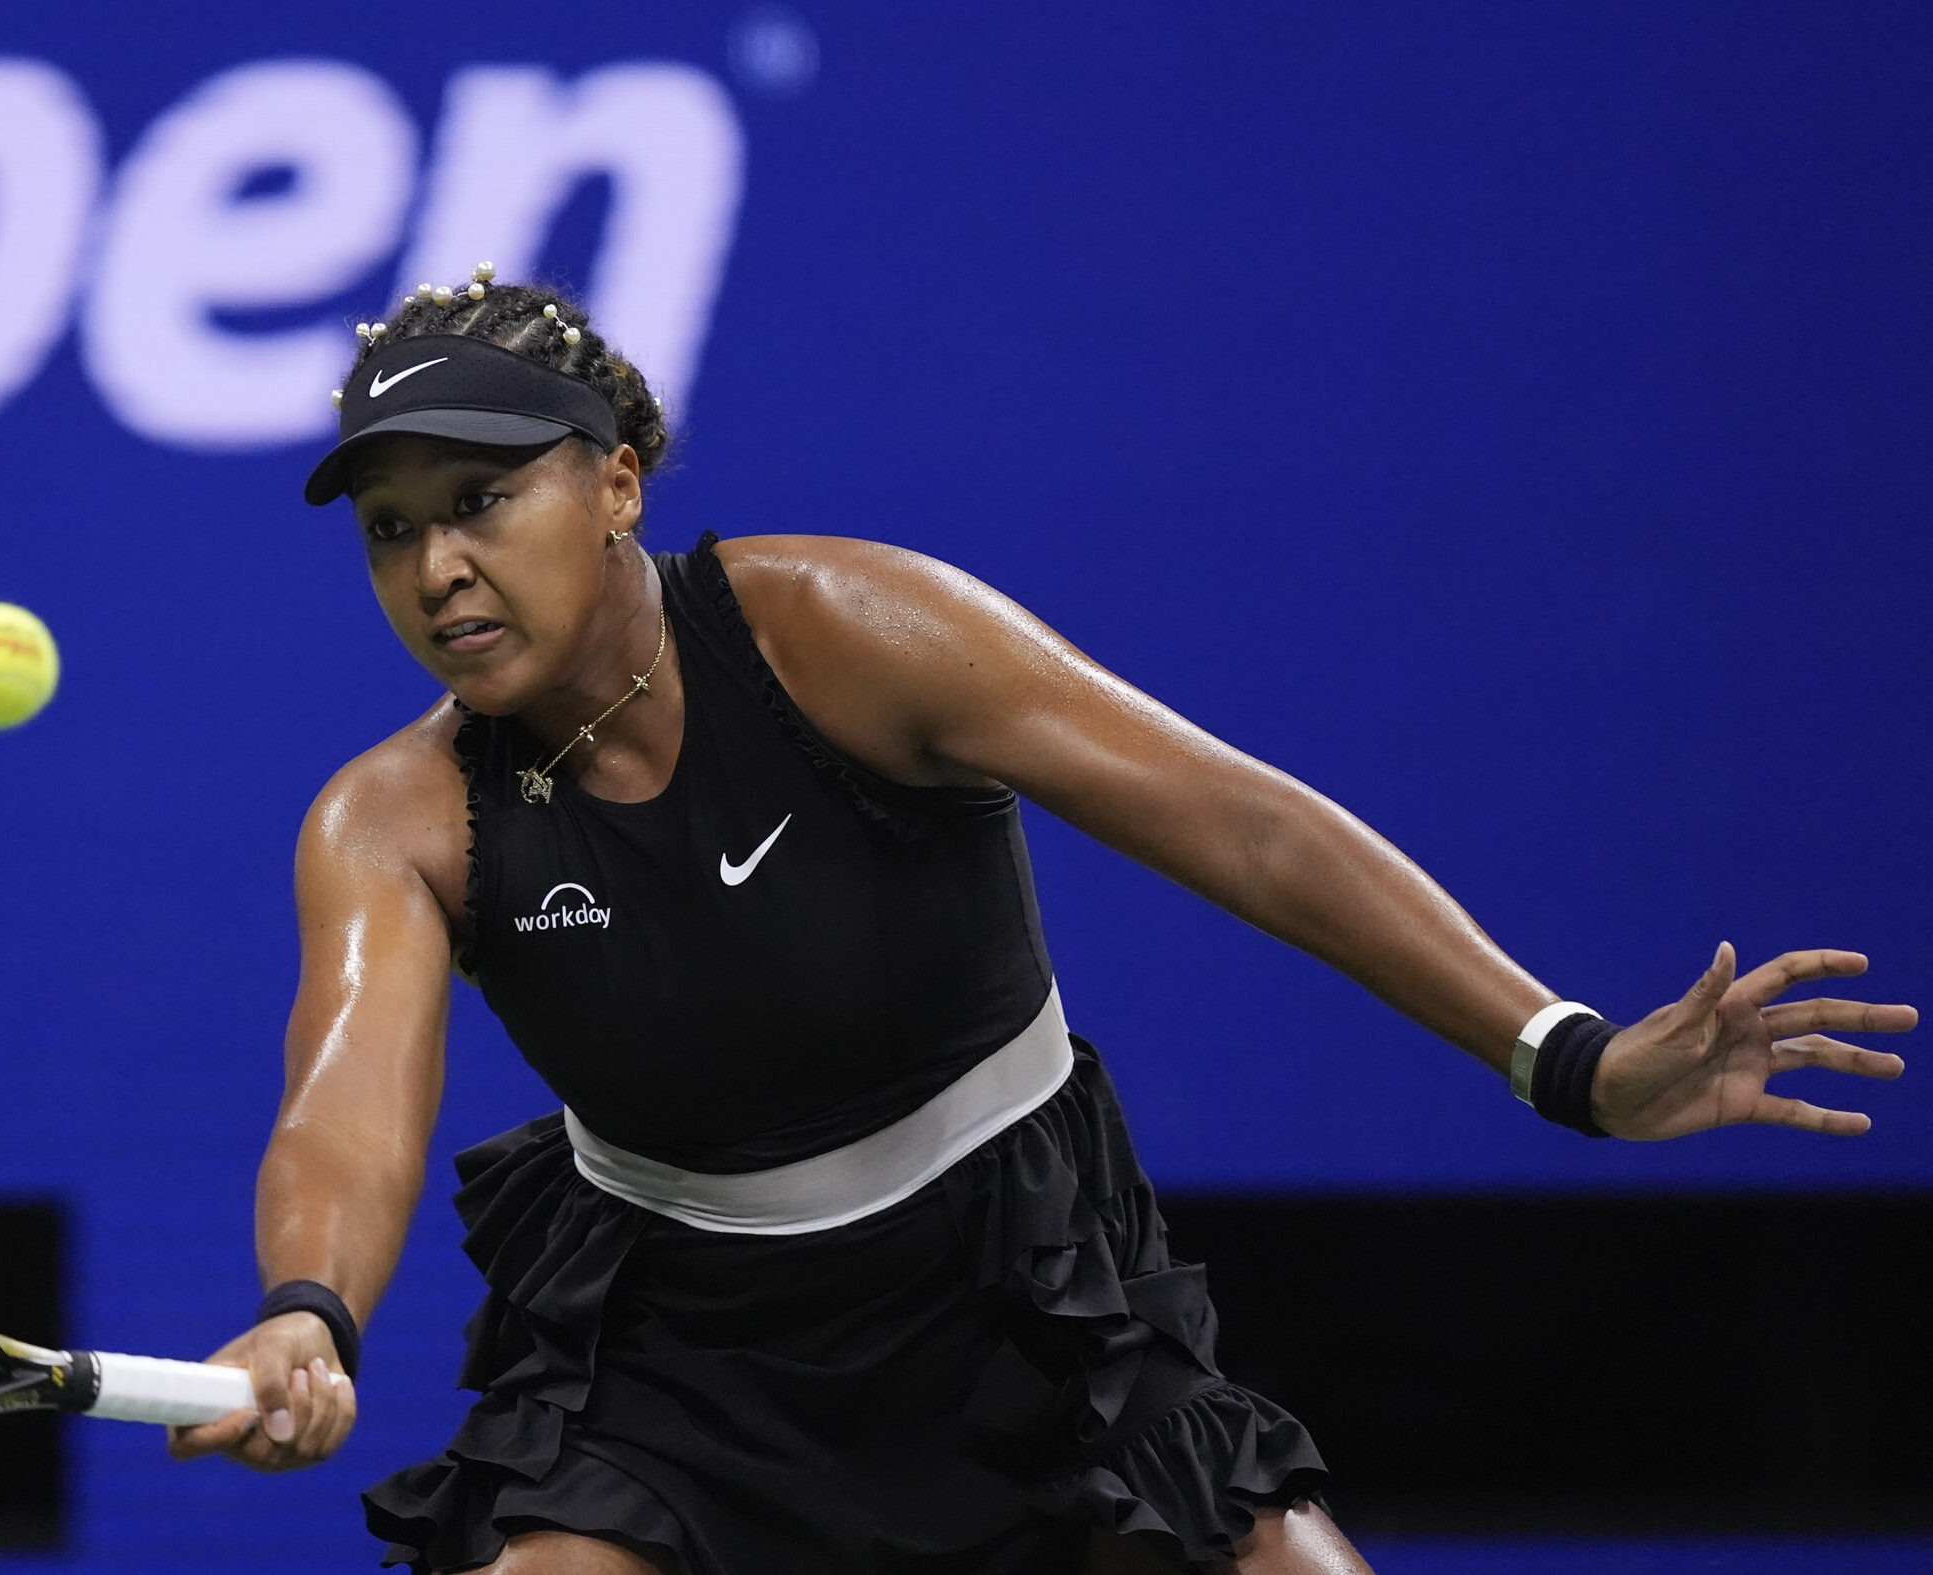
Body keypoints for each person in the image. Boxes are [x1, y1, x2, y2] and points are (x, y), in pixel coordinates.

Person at [166, 269, 1913, 1574]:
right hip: (683, 1364)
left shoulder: (847, 631)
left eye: (481, 500)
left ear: (616, 480)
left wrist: (1568, 1056)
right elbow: (346, 1101)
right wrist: (307, 1310)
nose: (436, 569)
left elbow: (1239, 822)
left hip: (1028, 1294)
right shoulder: (393, 818)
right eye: (392, 533)